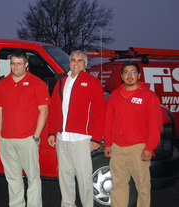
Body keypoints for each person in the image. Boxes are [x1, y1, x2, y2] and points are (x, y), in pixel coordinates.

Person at [48, 50, 105, 207]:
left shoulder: (93, 82)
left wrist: (96, 138)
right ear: (69, 62)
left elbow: (99, 112)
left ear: (85, 64)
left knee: (84, 177)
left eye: (80, 60)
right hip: (62, 138)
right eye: (73, 60)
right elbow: (53, 109)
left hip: (82, 139)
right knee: (65, 177)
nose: (76, 63)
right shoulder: (61, 82)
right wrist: (52, 131)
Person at [0, 50, 50, 207]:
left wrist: (36, 136)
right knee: (13, 178)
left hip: (27, 139)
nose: (15, 67)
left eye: (19, 64)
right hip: (6, 139)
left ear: (26, 64)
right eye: (12, 63)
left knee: (33, 178)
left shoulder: (37, 83)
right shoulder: (3, 83)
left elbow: (43, 111)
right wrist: (0, 136)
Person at [103, 61, 162, 207]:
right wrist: (108, 143)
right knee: (118, 187)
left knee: (142, 187)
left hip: (138, 149)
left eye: (133, 72)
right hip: (117, 149)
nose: (130, 75)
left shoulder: (149, 96)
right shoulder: (116, 95)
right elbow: (109, 120)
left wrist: (149, 147)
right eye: (126, 73)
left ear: (139, 75)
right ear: (122, 76)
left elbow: (155, 123)